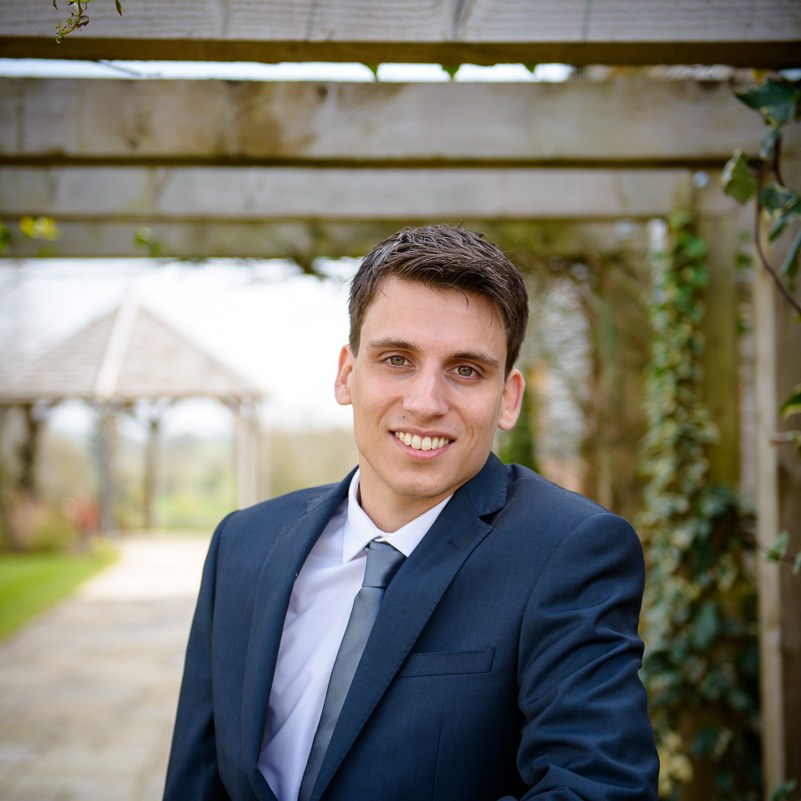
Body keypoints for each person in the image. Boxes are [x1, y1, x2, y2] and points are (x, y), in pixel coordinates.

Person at [163, 224, 659, 801]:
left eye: (466, 370)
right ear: (347, 374)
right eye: (397, 359)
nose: (425, 403)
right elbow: (197, 780)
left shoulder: (572, 551)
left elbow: (598, 791)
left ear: (509, 398)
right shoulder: (242, 543)